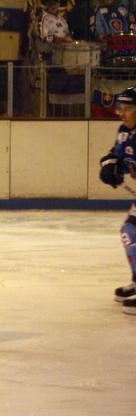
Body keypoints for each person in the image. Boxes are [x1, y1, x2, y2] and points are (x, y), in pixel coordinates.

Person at [98, 87, 136, 315]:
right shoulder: (125, 131)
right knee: (129, 231)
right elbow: (116, 153)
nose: (121, 113)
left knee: (131, 231)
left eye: (128, 109)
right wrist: (110, 165)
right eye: (120, 108)